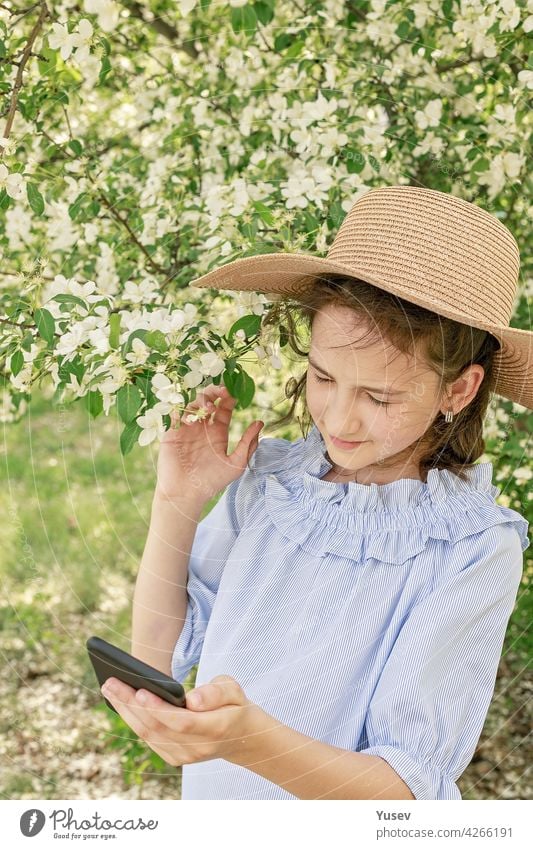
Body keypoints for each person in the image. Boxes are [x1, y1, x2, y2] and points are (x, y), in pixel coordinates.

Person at [104, 185, 531, 800]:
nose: (339, 420)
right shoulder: (273, 484)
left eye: (379, 397)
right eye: (324, 377)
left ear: (457, 392)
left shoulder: (468, 548)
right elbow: (159, 657)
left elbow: (404, 791)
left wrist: (250, 743)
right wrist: (175, 502)